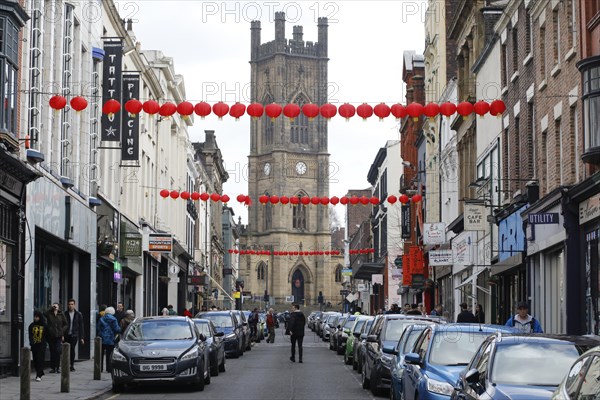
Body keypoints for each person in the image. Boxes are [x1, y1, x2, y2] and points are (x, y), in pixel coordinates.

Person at [45, 302, 67, 373]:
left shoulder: (61, 314)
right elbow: (44, 314)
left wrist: (62, 331)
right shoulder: (49, 313)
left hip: (59, 336)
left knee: (58, 350)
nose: (55, 307)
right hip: (51, 335)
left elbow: (66, 324)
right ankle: (53, 367)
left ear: (58, 307)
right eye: (54, 306)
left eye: (56, 306)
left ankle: (58, 367)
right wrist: (50, 308)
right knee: (52, 351)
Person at [97, 306, 120, 373]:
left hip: (102, 338)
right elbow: (116, 329)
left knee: (100, 354)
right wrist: (119, 330)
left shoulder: (102, 318)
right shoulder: (114, 319)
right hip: (110, 338)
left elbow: (98, 327)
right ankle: (109, 368)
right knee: (109, 354)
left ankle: (100, 368)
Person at [65, 298, 85, 371]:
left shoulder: (78, 314)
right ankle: (66, 363)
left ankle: (71, 365)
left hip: (74, 334)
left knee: (72, 349)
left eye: (72, 304)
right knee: (66, 349)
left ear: (74, 305)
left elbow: (81, 326)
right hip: (66, 334)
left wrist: (82, 337)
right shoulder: (65, 314)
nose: (70, 306)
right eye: (69, 304)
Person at [28, 311, 47, 381]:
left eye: (37, 317)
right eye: (35, 317)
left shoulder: (44, 325)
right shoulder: (31, 325)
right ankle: (39, 372)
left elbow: (46, 335)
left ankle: (38, 374)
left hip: (42, 345)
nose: (35, 318)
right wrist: (31, 342)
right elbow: (30, 335)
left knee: (40, 359)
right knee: (35, 360)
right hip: (34, 345)